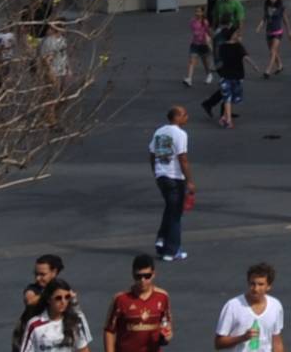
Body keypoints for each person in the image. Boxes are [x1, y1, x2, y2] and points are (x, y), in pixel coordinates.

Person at [148, 105, 193, 262]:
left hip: (162, 176)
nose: (187, 117)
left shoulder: (159, 131)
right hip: (174, 178)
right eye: (185, 114)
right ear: (177, 117)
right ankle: (172, 250)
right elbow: (183, 158)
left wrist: (156, 173)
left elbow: (152, 154)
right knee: (175, 214)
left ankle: (161, 240)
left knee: (169, 209)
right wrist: (189, 181)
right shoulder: (180, 134)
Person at [102, 254, 171, 352]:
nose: (143, 280)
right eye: (138, 276)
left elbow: (167, 325)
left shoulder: (163, 297)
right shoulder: (120, 299)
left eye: (147, 276)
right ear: (133, 275)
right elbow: (109, 330)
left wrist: (166, 336)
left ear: (154, 274)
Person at [214, 262, 285, 352]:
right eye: (252, 284)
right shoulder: (232, 306)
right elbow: (218, 343)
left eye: (260, 284)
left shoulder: (276, 306)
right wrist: (243, 337)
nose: (255, 289)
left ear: (269, 286)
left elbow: (276, 341)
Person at [19, 279, 92, 352]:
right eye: (58, 298)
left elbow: (83, 349)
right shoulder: (34, 325)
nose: (63, 302)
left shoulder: (74, 322)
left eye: (67, 297)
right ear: (48, 299)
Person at [15, 254, 66, 352]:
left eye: (42, 274)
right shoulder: (33, 289)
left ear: (54, 272)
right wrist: (50, 292)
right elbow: (29, 300)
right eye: (36, 274)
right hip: (31, 338)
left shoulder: (63, 290)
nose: (38, 278)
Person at [200, 27, 249, 126]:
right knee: (227, 87)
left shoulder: (220, 34)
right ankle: (218, 109)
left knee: (227, 87)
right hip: (225, 65)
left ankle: (221, 109)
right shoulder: (224, 36)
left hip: (224, 64)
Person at [256, 0, 286, 77]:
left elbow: (285, 20)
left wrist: (289, 31)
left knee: (273, 51)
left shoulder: (281, 7)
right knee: (273, 51)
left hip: (278, 32)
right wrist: (259, 26)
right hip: (269, 32)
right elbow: (264, 18)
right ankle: (280, 65)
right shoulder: (267, 7)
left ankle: (268, 70)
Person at [183, 9, 213, 86]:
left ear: (202, 13)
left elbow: (209, 33)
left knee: (205, 62)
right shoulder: (192, 21)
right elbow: (194, 31)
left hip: (203, 45)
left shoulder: (205, 22)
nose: (197, 13)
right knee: (192, 61)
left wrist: (209, 40)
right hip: (195, 44)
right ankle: (189, 79)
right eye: (196, 11)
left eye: (199, 11)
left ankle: (209, 74)